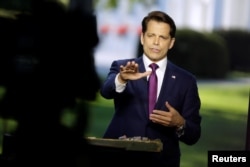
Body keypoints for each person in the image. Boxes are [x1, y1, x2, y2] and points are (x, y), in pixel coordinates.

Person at [100, 11, 201, 167]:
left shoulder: (186, 81)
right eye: (151, 35)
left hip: (162, 161)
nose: (155, 42)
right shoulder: (122, 67)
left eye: (162, 37)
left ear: (171, 42)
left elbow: (194, 134)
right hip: (120, 158)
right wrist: (121, 79)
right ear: (142, 38)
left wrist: (180, 123)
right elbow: (106, 91)